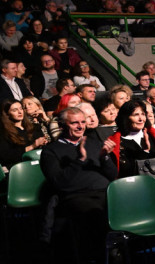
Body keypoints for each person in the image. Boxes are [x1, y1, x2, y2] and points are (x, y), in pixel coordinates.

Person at [39, 107, 117, 248]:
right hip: (76, 196)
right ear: (62, 125)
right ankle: (107, 256)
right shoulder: (50, 151)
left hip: (105, 192)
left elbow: (112, 175)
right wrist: (80, 160)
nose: (80, 126)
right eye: (74, 123)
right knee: (97, 213)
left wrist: (105, 157)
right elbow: (58, 183)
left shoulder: (94, 143)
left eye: (82, 122)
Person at [0, 99, 47, 169]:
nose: (20, 112)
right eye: (14, 110)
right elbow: (6, 156)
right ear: (7, 114)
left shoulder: (34, 127)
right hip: (19, 167)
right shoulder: (4, 132)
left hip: (39, 162)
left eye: (21, 108)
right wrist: (32, 146)